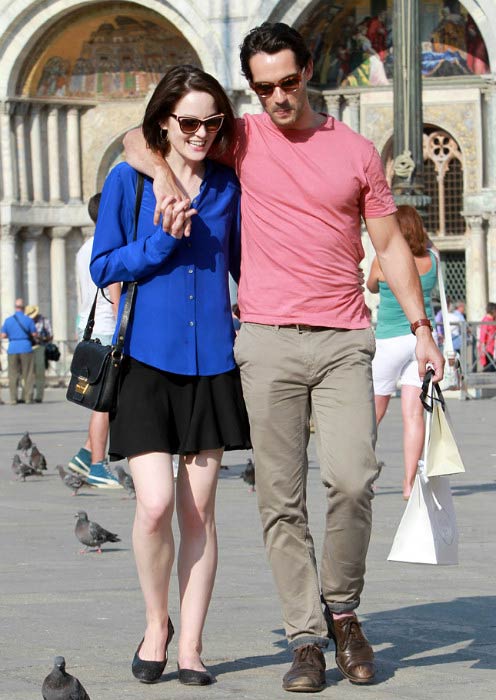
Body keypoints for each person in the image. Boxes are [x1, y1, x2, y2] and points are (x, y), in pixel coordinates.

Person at [124, 23, 443, 693]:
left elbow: (387, 245)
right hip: (265, 340)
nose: (277, 97)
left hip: (342, 339)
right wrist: (159, 180)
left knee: (354, 478)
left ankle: (344, 611)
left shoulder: (355, 152)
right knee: (279, 498)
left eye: (288, 82)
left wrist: (421, 326)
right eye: (263, 87)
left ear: (309, 73)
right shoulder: (240, 137)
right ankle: (305, 637)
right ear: (251, 88)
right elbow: (140, 136)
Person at [91, 64, 250, 686]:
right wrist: (158, 244)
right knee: (154, 505)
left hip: (213, 362)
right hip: (146, 364)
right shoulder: (129, 181)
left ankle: (192, 647)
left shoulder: (228, 187)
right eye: (188, 121)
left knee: (200, 512)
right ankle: (157, 623)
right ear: (164, 121)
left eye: (212, 122)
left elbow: (246, 265)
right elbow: (105, 265)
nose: (201, 133)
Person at [367, 205, 438, 500]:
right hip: (420, 342)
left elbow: (370, 287)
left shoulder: (384, 264)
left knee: (373, 413)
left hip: (388, 341)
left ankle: (363, 477)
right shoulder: (432, 261)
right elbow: (430, 247)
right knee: (414, 415)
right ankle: (409, 484)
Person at [67, 194, 123, 489]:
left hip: (89, 329)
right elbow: (116, 298)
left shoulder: (83, 249)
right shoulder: (109, 245)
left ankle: (86, 453)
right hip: (108, 329)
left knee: (100, 399)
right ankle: (98, 466)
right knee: (105, 403)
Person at [0, 298, 37, 404]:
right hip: (26, 347)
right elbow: (34, 334)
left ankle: (13, 398)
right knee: (28, 374)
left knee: (13, 375)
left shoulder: (8, 320)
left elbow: (3, 335)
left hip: (12, 348)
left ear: (15, 308)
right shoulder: (28, 320)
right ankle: (28, 398)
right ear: (24, 308)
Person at [24, 305, 53, 403]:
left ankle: (39, 396)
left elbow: (50, 336)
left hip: (40, 347)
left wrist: (40, 338)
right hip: (27, 348)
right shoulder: (26, 321)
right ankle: (28, 395)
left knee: (40, 372)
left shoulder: (44, 321)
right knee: (28, 373)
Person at [478, 302, 496, 372]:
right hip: (487, 348)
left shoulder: (493, 320)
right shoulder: (486, 320)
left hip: (493, 347)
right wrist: (482, 347)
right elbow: (483, 335)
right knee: (489, 368)